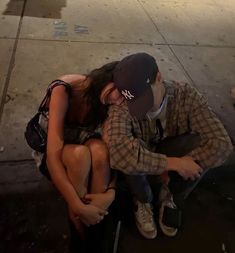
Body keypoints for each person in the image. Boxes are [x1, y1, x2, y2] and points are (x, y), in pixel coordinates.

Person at [103, 53, 233, 239]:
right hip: (144, 165)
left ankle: (168, 194)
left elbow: (222, 144)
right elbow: (119, 154)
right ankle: (142, 200)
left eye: (144, 97)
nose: (141, 107)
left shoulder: (186, 96)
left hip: (168, 156)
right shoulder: (123, 105)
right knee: (128, 151)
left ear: (159, 77)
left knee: (199, 142)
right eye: (133, 100)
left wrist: (184, 163)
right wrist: (172, 164)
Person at [32, 61, 124, 237]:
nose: (119, 101)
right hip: (51, 147)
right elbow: (53, 156)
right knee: (79, 156)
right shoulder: (66, 88)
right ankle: (78, 226)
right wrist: (76, 205)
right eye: (120, 92)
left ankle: (95, 223)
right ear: (109, 79)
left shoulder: (112, 103)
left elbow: (116, 150)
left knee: (100, 152)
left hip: (81, 140)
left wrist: (111, 194)